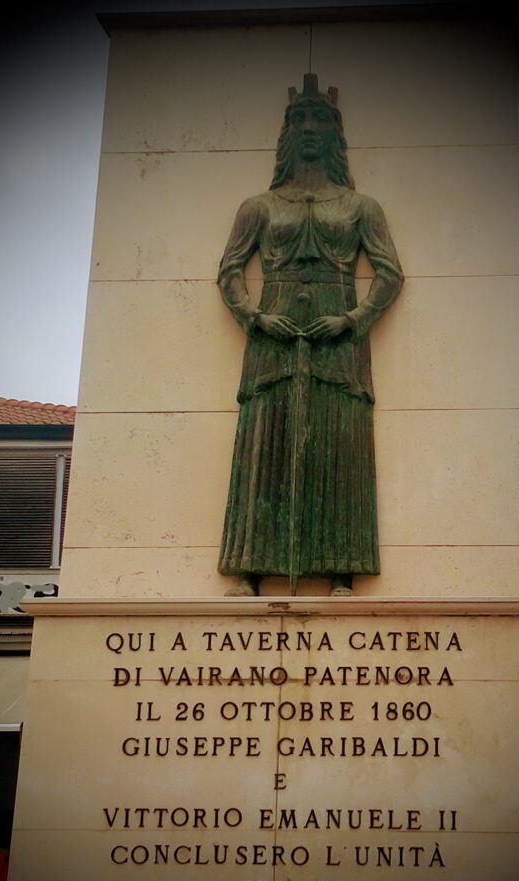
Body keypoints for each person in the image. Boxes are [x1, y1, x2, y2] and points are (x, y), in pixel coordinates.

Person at [217, 74, 403, 596]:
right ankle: (253, 568)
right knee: (265, 441)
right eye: (299, 119)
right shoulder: (258, 206)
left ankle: (340, 566)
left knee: (339, 444)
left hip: (338, 335)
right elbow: (229, 271)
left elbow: (390, 273)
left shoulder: (360, 206)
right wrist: (255, 316)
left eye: (321, 119)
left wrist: (353, 319)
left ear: (335, 135)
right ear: (286, 134)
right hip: (272, 334)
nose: (309, 128)